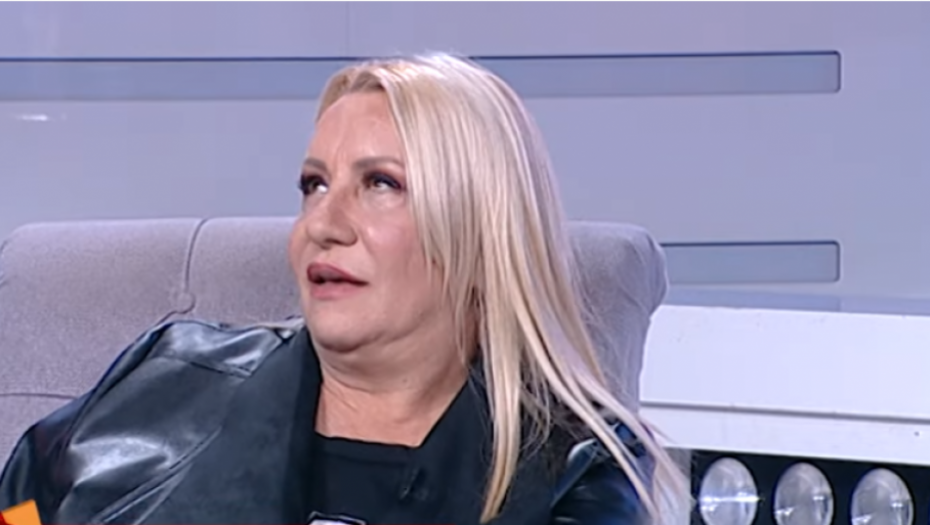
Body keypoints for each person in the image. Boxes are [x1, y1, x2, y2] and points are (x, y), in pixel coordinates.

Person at [0, 53, 688, 525]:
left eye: (380, 183)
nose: (322, 225)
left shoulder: (572, 470)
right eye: (314, 185)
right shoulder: (170, 374)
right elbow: (20, 504)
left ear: (479, 229)